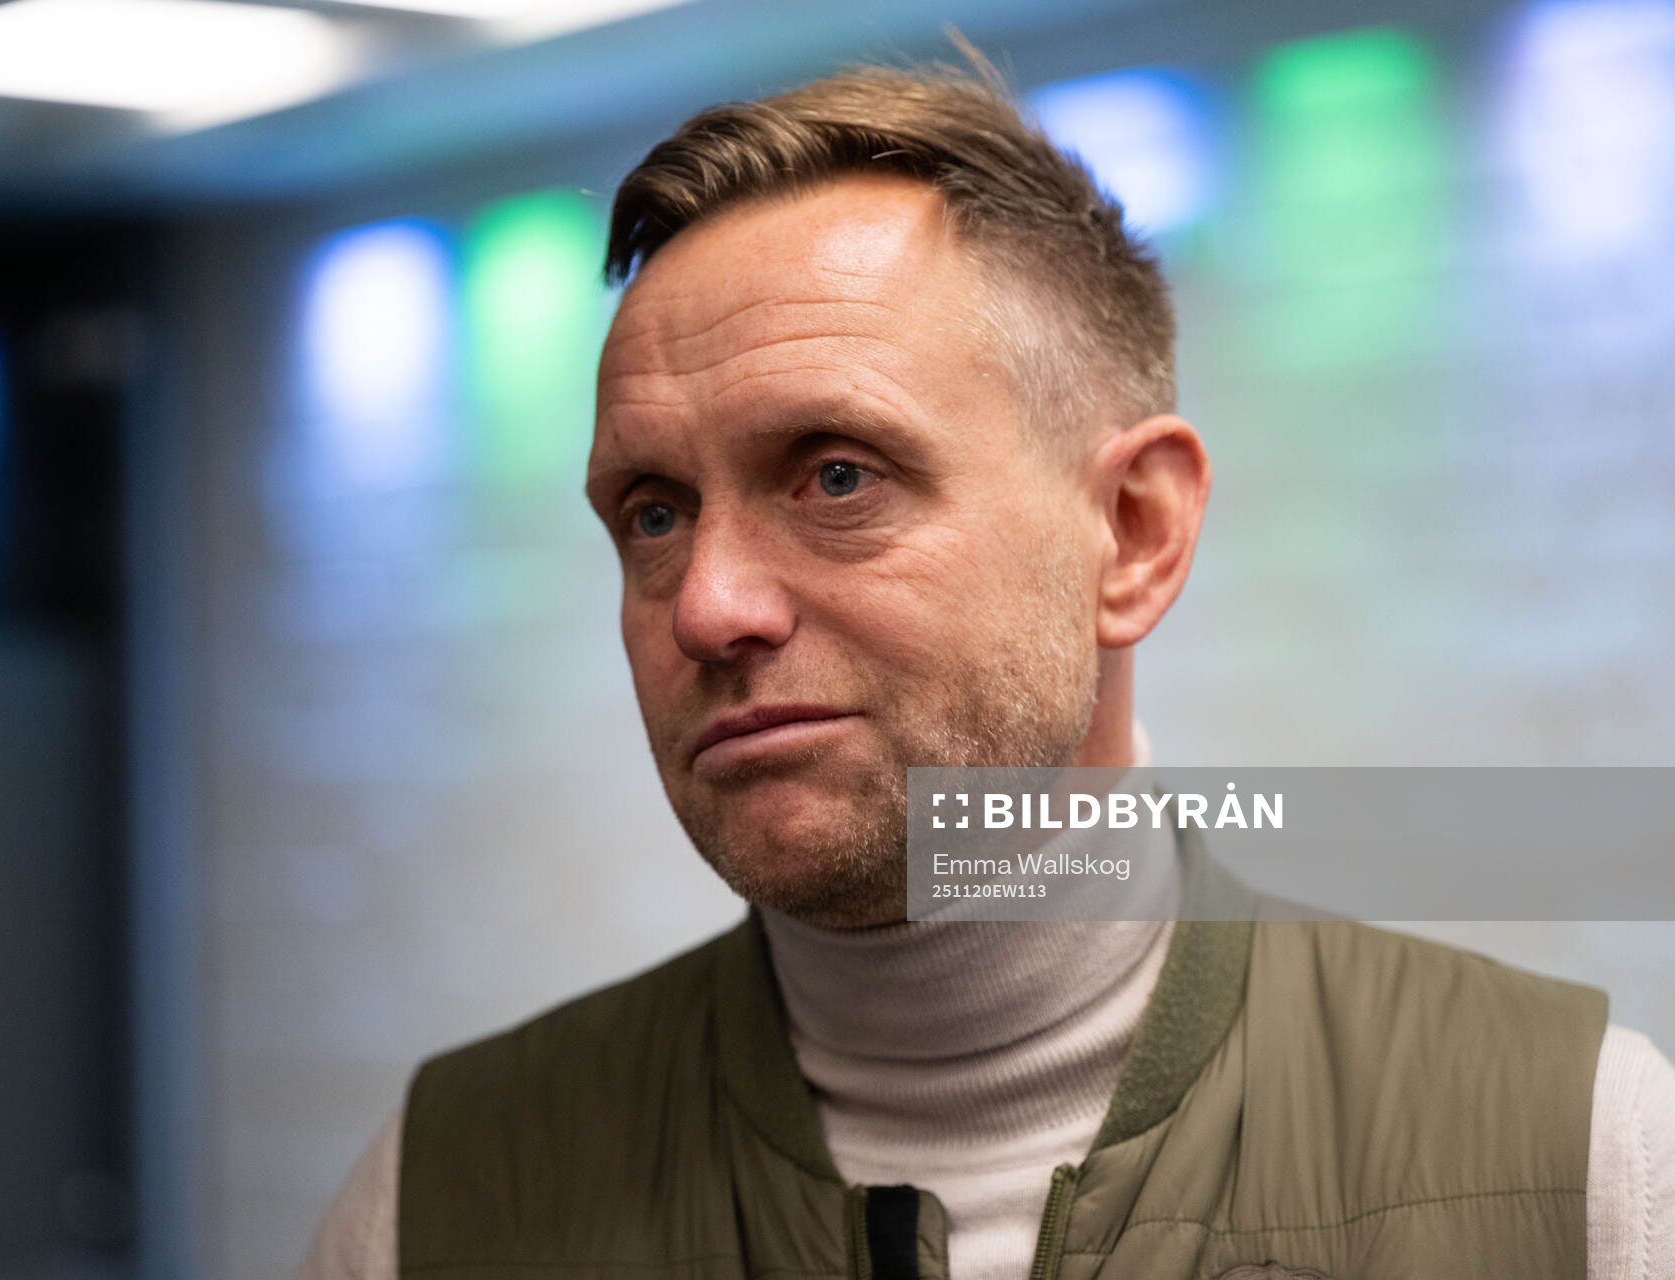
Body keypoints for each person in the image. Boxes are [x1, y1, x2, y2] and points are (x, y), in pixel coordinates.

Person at [300, 57, 1675, 1280]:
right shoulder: (443, 1200)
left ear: (1131, 535)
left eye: (838, 475)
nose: (711, 606)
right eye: (654, 513)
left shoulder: (1586, 1166)